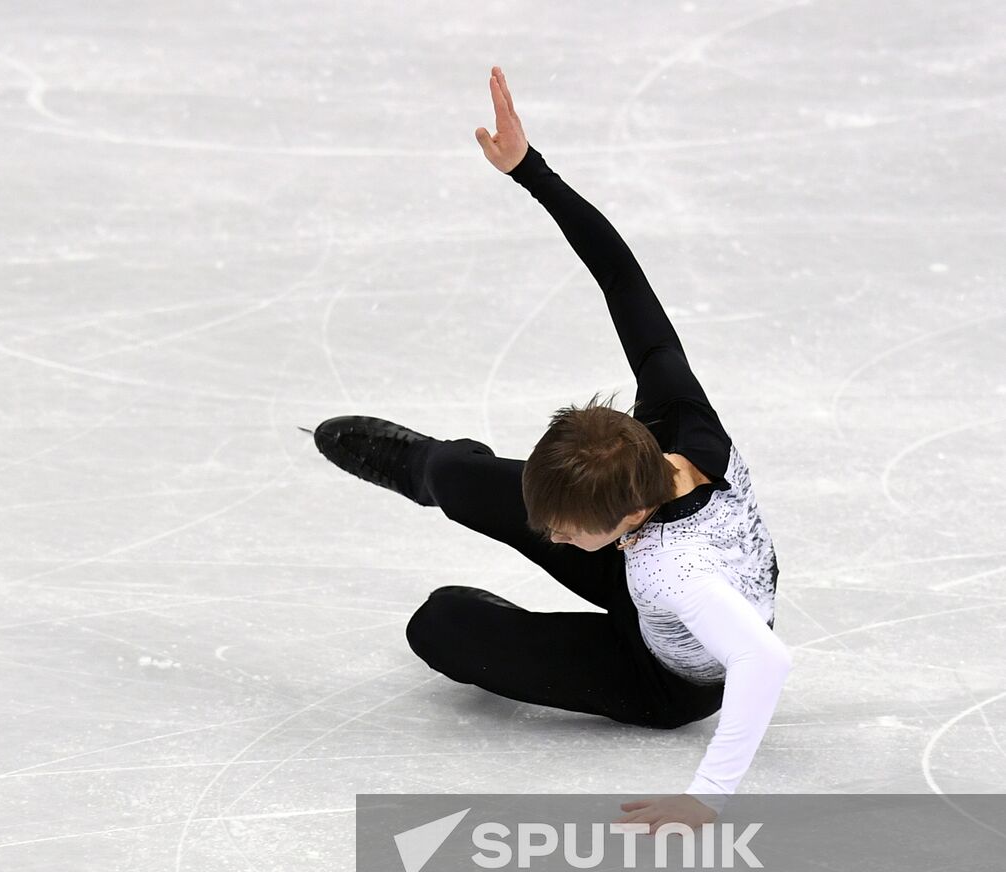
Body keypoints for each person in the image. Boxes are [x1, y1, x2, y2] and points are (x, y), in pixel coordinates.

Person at [310, 66, 791, 833]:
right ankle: (432, 470)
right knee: (463, 480)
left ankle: (512, 623)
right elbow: (620, 275)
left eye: (563, 532)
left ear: (627, 515)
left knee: (440, 626)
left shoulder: (678, 570)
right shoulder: (678, 417)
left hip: (658, 674)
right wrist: (530, 170)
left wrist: (705, 801)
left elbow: (764, 662)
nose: (552, 535)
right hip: (645, 559)